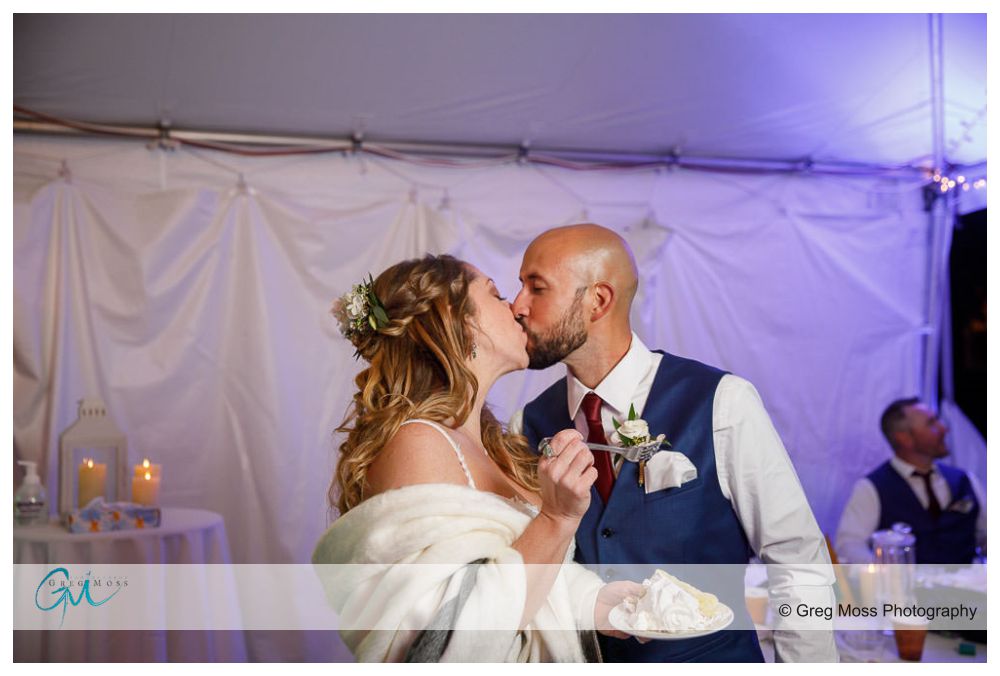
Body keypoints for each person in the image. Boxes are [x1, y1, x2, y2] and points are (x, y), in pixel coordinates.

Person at [512, 223, 838, 662]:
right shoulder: (527, 425)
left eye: (537, 288)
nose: (518, 306)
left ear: (598, 300)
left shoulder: (723, 402)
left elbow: (797, 560)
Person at [312, 254, 640, 662]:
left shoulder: (494, 445)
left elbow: (528, 583)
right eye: (497, 295)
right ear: (459, 319)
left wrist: (602, 604)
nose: (517, 308)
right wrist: (557, 519)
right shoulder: (419, 443)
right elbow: (440, 641)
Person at [836, 397, 986, 565]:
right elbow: (849, 545)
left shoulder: (965, 480)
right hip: (908, 589)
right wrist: (883, 574)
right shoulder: (872, 488)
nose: (943, 429)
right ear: (904, 438)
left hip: (968, 588)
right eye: (931, 424)